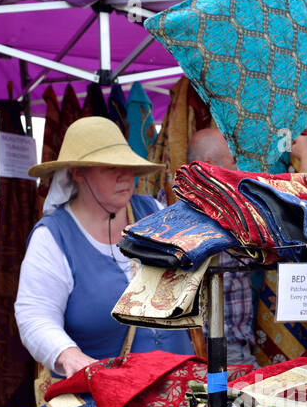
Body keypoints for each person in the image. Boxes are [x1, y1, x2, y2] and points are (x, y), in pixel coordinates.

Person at [16, 116, 193, 379]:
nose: (125, 176)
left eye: (128, 166)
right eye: (110, 167)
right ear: (78, 173)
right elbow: (35, 315)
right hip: (104, 400)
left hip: (180, 388)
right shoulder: (53, 237)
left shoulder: (154, 212)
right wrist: (68, 355)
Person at [186, 127, 256, 365]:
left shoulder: (172, 205)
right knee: (242, 401)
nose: (237, 168)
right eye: (233, 161)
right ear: (209, 165)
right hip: (220, 347)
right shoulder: (222, 211)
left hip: (221, 343)